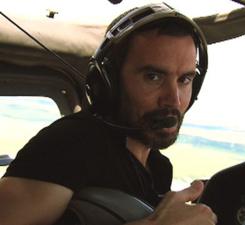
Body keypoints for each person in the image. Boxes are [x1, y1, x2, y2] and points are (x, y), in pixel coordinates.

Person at [0, 3, 217, 225]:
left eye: (185, 79)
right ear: (108, 83)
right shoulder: (70, 144)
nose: (174, 99)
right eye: (153, 77)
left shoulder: (159, 167)